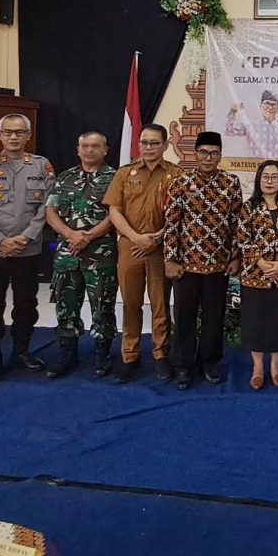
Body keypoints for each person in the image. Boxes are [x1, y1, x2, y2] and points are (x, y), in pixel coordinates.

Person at [0, 113, 54, 383]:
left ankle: (22, 350)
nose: (14, 137)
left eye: (19, 132)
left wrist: (25, 237)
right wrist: (0, 240)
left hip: (28, 250)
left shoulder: (41, 166)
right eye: (8, 132)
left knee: (26, 303)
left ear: (28, 136)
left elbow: (47, 207)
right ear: (0, 135)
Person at [163, 131, 242, 390]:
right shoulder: (181, 182)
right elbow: (172, 223)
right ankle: (183, 366)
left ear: (220, 155)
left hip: (218, 266)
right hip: (186, 265)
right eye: (204, 152)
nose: (209, 158)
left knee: (213, 317)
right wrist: (170, 259)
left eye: (214, 153)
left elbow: (236, 224)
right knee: (184, 317)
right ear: (195, 154)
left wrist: (235, 257)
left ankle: (209, 362)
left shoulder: (231, 182)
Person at [105, 123, 181, 383]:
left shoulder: (176, 175)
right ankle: (130, 356)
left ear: (165, 145)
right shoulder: (125, 173)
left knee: (160, 304)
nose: (148, 148)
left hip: (162, 249)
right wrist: (136, 237)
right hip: (130, 247)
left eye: (154, 143)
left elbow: (182, 212)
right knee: (130, 304)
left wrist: (157, 237)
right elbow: (114, 210)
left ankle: (161, 355)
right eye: (144, 142)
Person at [43, 131, 118, 379]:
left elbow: (116, 215)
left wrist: (88, 236)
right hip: (67, 254)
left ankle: (102, 356)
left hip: (100, 254)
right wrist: (70, 234)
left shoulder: (115, 178)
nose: (89, 150)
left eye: (95, 146)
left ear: (105, 150)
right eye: (85, 146)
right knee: (66, 306)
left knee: (102, 306)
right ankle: (67, 355)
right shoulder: (65, 177)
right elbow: (51, 212)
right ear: (78, 149)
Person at [234, 160, 278, 390]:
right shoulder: (248, 207)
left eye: (274, 177)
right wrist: (262, 263)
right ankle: (257, 368)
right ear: (258, 180)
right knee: (256, 322)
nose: (270, 181)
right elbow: (243, 238)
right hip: (255, 276)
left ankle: (275, 366)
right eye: (266, 177)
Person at [225, 90, 278, 159]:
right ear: (261, 105)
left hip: (277, 168)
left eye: (273, 104)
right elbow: (229, 130)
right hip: (256, 168)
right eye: (267, 103)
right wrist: (232, 112)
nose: (270, 107)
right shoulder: (251, 125)